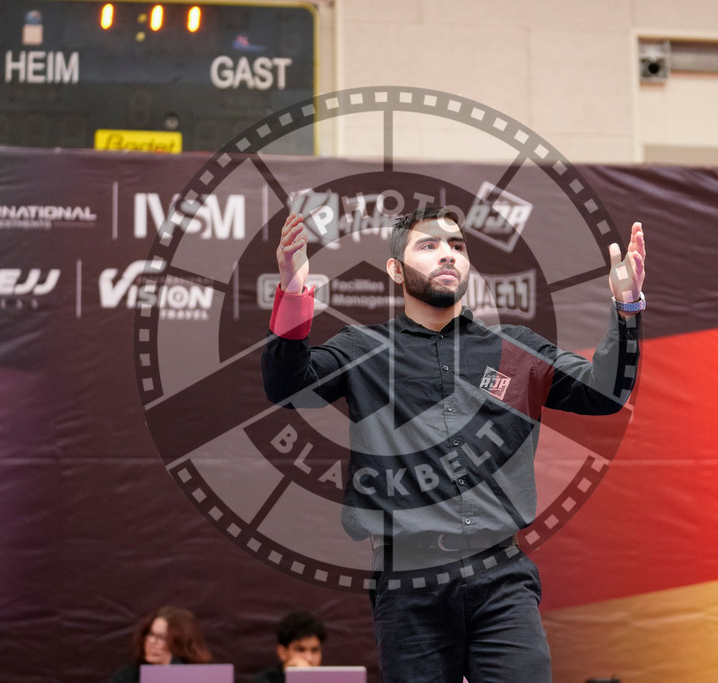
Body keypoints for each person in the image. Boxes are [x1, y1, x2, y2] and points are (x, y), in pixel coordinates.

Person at [262, 206, 645, 683]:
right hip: (409, 581)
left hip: (501, 575)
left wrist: (627, 309)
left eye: (457, 247)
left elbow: (606, 393)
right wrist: (293, 295)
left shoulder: (517, 349)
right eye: (429, 245)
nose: (448, 255)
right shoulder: (362, 349)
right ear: (395, 270)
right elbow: (286, 387)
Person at [109, 605, 214, 683]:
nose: (152, 642)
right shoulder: (128, 674)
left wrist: (168, 669)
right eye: (150, 634)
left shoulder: (204, 677)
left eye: (161, 637)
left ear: (180, 645)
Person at [253, 610, 328, 683]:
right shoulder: (264, 680)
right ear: (283, 653)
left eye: (314, 650)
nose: (309, 658)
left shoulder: (329, 679)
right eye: (300, 650)